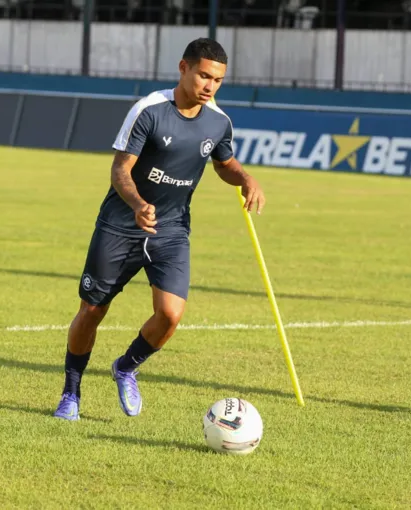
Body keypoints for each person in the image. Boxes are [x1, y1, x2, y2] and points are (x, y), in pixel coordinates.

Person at [52, 38, 266, 421]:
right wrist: (137, 204)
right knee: (91, 310)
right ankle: (71, 394)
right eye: (203, 75)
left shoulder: (219, 122)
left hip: (171, 231)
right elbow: (121, 169)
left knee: (170, 315)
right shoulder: (149, 110)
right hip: (120, 225)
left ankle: (126, 367)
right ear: (183, 68)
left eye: (217, 80)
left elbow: (223, 163)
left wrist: (246, 179)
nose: (209, 86)